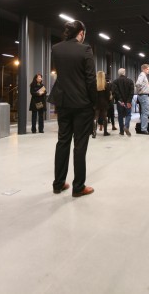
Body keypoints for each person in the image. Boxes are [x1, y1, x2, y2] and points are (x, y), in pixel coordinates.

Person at [48, 20, 96, 198]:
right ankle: (78, 187)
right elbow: (90, 79)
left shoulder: (56, 48)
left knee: (62, 142)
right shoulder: (85, 49)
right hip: (82, 103)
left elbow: (64, 75)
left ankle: (58, 184)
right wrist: (94, 103)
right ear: (81, 32)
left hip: (63, 102)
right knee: (80, 145)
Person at [111, 68, 134, 136]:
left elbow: (115, 92)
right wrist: (129, 101)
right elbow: (131, 92)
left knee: (120, 115)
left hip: (120, 102)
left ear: (119, 73)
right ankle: (126, 127)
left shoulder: (115, 82)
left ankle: (121, 131)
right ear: (124, 73)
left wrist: (120, 100)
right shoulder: (130, 81)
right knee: (128, 114)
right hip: (128, 102)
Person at [134, 64, 149, 134]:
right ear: (144, 69)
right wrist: (140, 91)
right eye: (148, 69)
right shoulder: (142, 75)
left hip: (143, 95)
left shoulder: (143, 75)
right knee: (145, 112)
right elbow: (138, 84)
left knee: (144, 113)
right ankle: (144, 129)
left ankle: (143, 127)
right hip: (143, 95)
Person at [93, 71, 111, 137]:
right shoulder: (106, 85)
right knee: (105, 117)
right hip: (104, 103)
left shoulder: (94, 84)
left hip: (96, 103)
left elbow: (92, 94)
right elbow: (108, 95)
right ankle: (105, 132)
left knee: (96, 117)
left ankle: (94, 132)